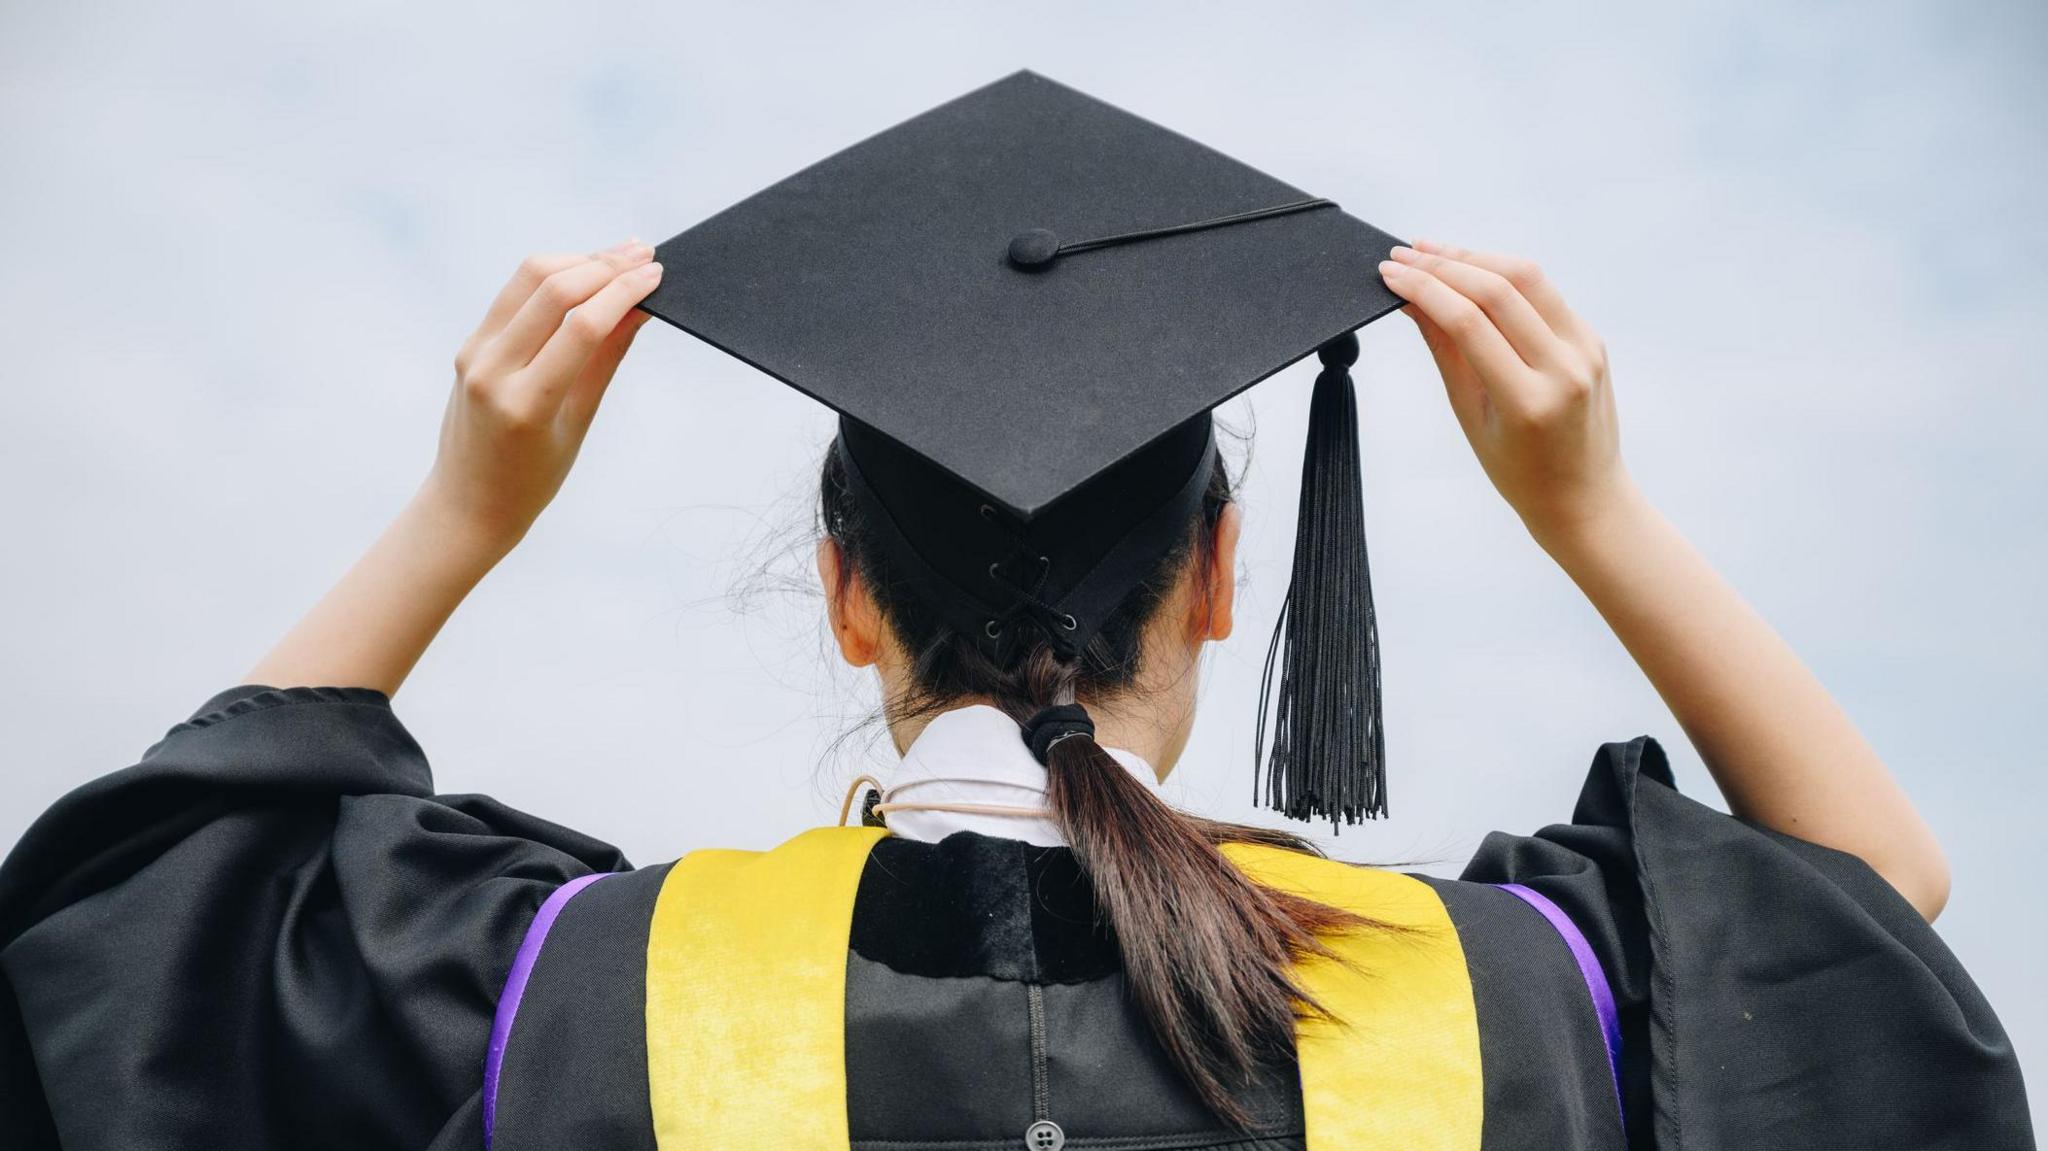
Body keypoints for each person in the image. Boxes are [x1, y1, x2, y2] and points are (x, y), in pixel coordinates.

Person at [0, 73, 2032, 1151]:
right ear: (1228, 584)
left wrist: (459, 511)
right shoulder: (1505, 1003)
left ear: (841, 591)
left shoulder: (566, 989)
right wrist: (1590, 506)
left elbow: (139, 914)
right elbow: (1858, 911)